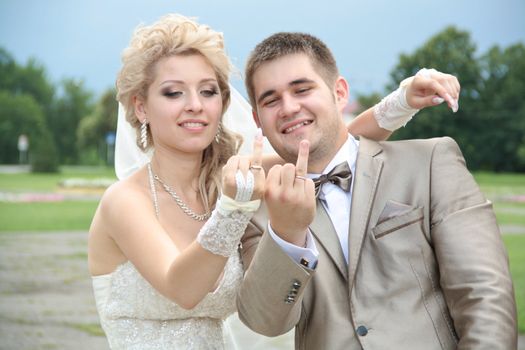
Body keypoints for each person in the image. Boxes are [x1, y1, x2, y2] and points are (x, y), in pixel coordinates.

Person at [88, 15, 425, 349]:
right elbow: (184, 289)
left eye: (208, 91)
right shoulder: (125, 201)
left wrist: (402, 102)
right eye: (174, 93)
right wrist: (233, 208)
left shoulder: (228, 179)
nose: (195, 106)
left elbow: (329, 146)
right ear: (141, 107)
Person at [237, 32, 517, 349]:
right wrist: (287, 232)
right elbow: (266, 321)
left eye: (302, 89)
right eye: (271, 100)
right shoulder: (259, 210)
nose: (288, 107)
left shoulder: (428, 164)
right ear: (257, 118)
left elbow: (484, 295)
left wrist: (399, 103)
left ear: (339, 92)